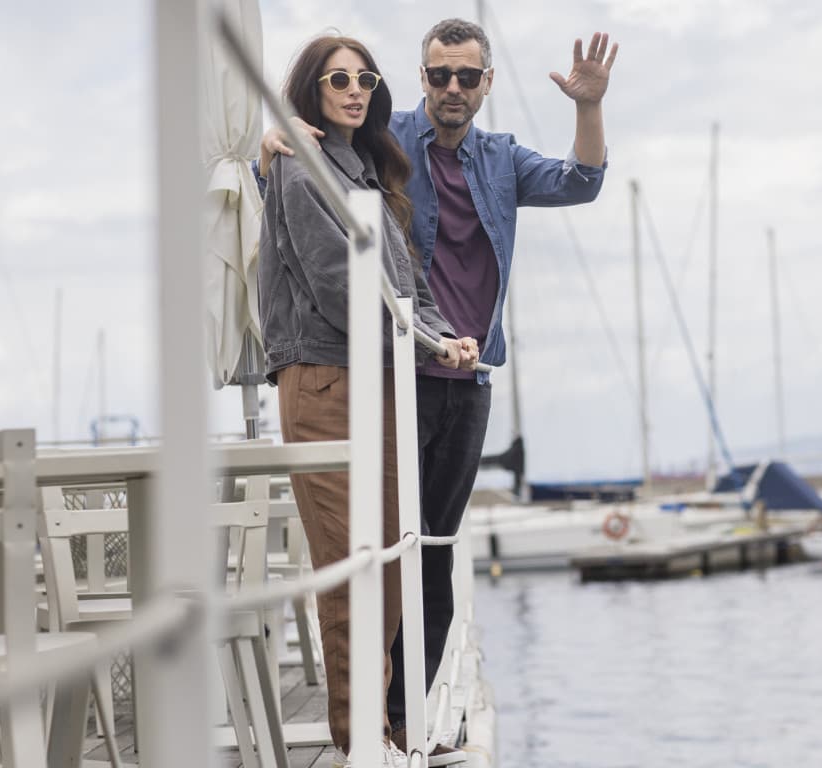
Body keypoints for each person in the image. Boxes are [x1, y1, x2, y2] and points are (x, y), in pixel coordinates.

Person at [259, 18, 617, 763]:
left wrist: (588, 107)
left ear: (486, 84)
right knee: (383, 551)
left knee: (431, 553)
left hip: (467, 375)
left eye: (466, 76)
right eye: (438, 75)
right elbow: (302, 183)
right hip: (393, 376)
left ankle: (402, 716)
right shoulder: (387, 145)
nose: (451, 89)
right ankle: (374, 726)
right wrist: (275, 140)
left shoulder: (498, 160)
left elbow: (582, 182)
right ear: (420, 80)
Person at [258, 33, 477, 767]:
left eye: (363, 78)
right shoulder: (299, 160)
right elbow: (335, 283)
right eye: (337, 78)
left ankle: (380, 734)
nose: (353, 89)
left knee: (387, 562)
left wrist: (449, 336)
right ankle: (360, 744)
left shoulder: (368, 169)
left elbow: (404, 284)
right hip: (322, 380)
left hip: (379, 379)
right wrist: (424, 342)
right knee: (352, 570)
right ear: (312, 89)